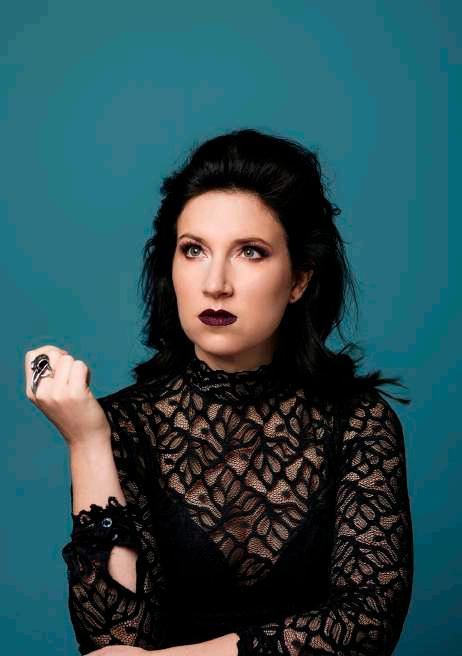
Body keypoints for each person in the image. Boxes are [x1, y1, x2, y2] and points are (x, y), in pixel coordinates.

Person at [24, 128, 414, 656]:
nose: (215, 283)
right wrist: (88, 443)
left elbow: (367, 621)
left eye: (250, 252)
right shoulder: (125, 425)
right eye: (194, 250)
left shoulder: (357, 421)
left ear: (299, 279)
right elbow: (114, 638)